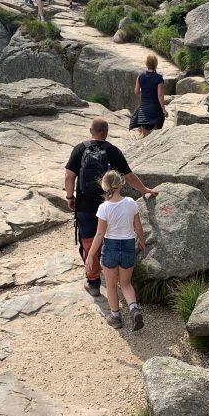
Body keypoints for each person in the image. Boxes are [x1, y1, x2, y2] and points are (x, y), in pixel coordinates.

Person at [64, 118, 157, 299]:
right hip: (109, 206)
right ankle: (114, 279)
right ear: (106, 132)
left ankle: (93, 283)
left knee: (89, 243)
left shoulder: (79, 149)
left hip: (85, 206)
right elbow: (129, 176)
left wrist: (70, 197)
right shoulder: (112, 151)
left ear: (91, 131)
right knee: (109, 240)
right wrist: (144, 189)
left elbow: (69, 176)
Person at [87, 171, 147, 331]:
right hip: (128, 246)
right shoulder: (130, 202)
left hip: (111, 247)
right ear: (121, 184)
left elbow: (100, 234)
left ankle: (116, 317)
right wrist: (141, 241)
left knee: (112, 285)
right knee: (126, 283)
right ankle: (134, 308)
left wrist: (91, 255)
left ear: (104, 186)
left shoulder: (104, 207)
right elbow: (138, 226)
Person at [130, 53, 168, 135]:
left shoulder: (140, 75)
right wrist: (164, 110)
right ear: (156, 63)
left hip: (144, 110)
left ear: (146, 63)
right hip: (155, 110)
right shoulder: (159, 78)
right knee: (155, 135)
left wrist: (144, 92)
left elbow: (136, 91)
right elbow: (160, 95)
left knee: (145, 136)